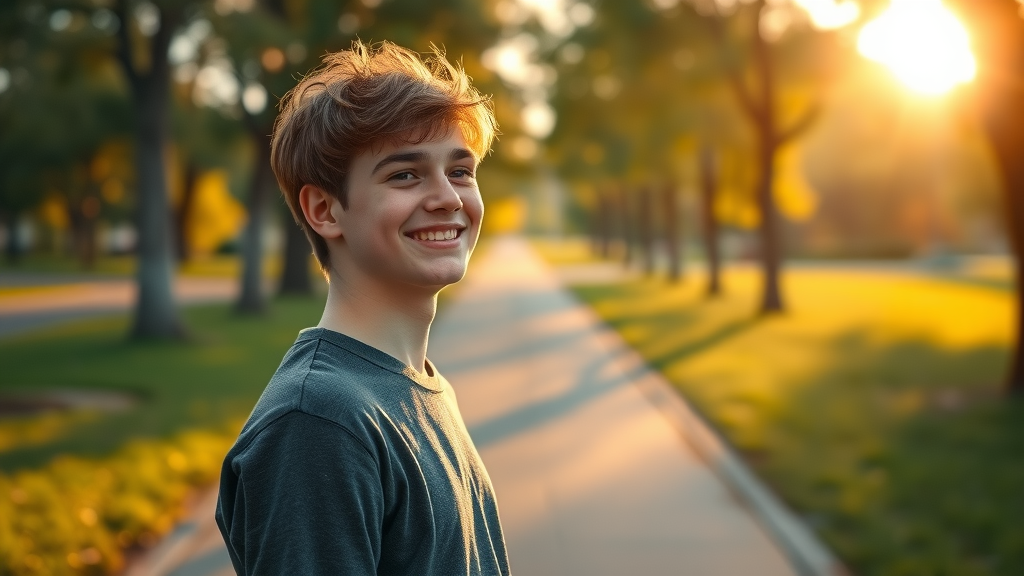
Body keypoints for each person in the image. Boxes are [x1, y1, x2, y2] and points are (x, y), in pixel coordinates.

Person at [215, 40, 509, 576]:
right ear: (324, 209)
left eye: (461, 171)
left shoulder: (415, 384)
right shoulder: (318, 423)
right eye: (405, 175)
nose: (448, 196)